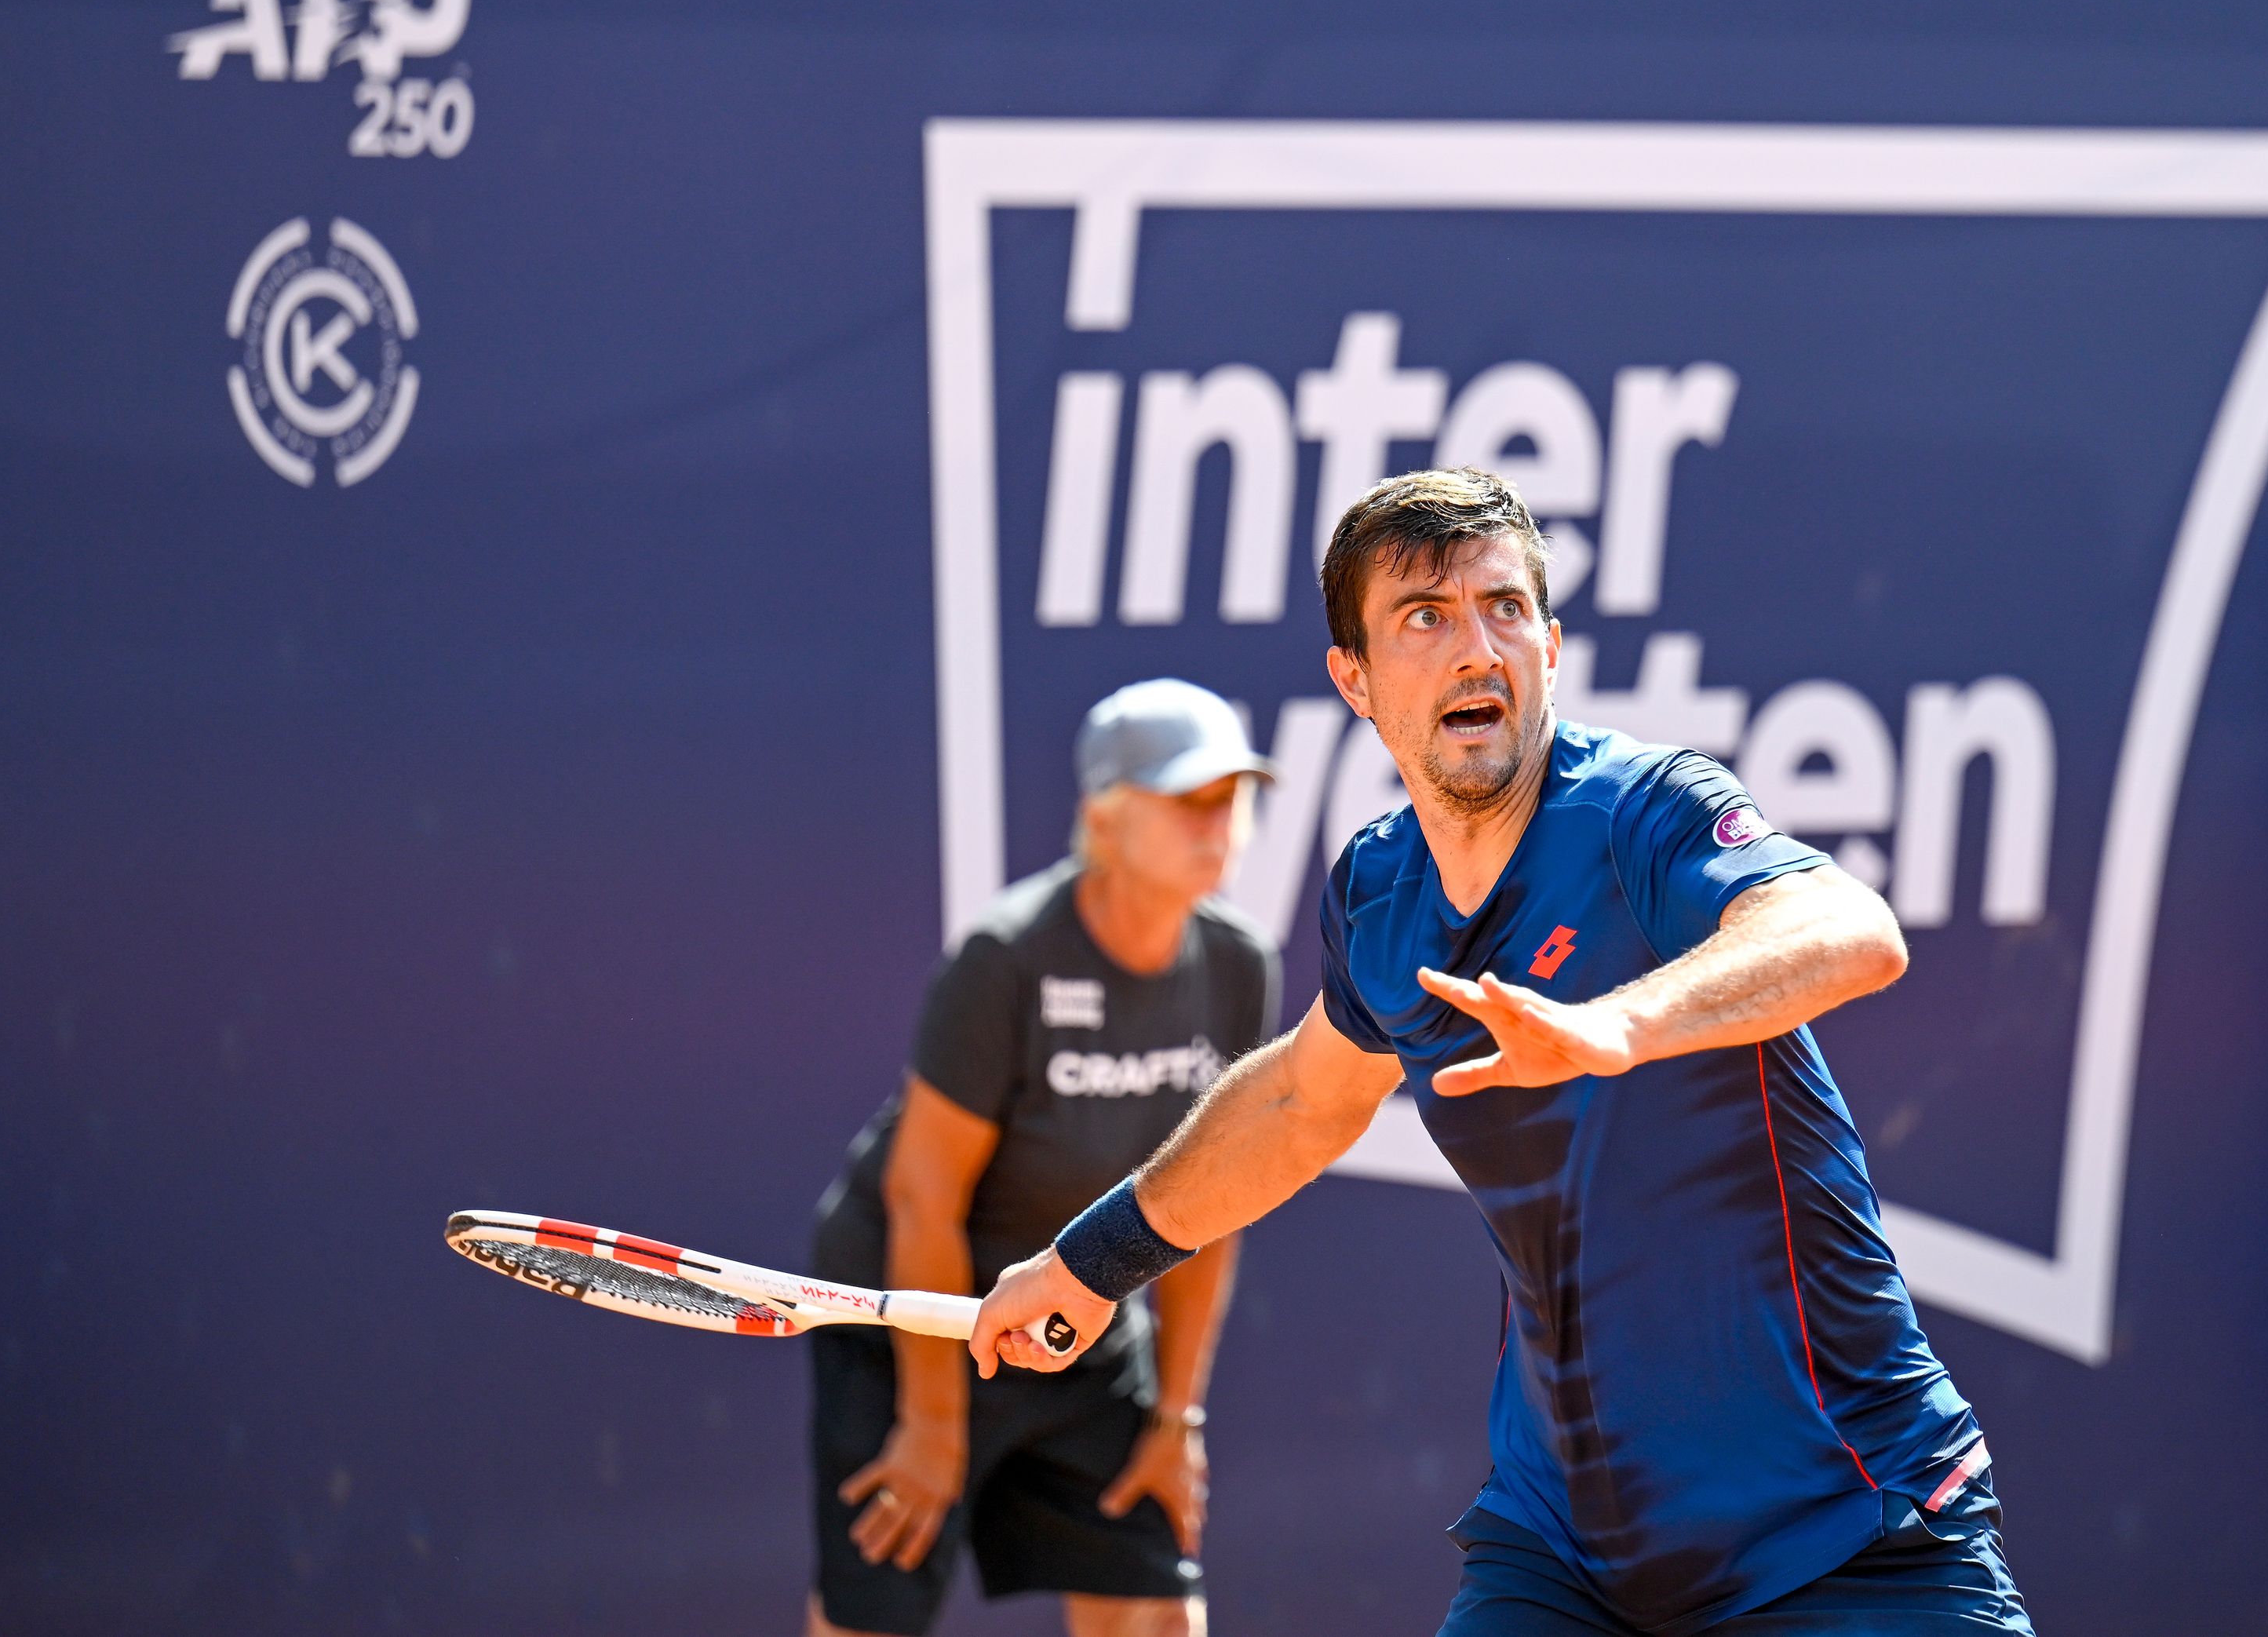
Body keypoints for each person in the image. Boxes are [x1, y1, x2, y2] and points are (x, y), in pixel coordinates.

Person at [968, 468, 2037, 1637]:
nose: (1477, 647)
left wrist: (1618, 1022)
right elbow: (1299, 1100)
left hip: (1844, 1527)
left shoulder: (1645, 811)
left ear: (1551, 645)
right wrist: (1089, 1261)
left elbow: (1847, 929)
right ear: (1356, 680)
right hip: (1567, 1555)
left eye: (1505, 607)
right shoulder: (1379, 889)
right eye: (1425, 615)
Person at [807, 680, 1281, 1637]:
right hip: (914, 1324)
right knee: (873, 1615)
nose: (1217, 823)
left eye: (1231, 798)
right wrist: (934, 1420)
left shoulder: (1237, 965)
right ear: (1104, 818)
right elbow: (922, 1193)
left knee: (1156, 1613)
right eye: (1187, 798)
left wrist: (1174, 1420)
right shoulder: (1005, 959)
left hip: (1076, 1324)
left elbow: (1212, 1205)